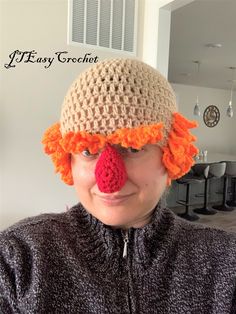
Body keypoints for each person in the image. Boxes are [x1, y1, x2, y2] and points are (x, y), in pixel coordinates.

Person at [0, 58, 236, 314]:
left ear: (171, 152)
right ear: (67, 158)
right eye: (88, 150)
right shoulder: (17, 258)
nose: (109, 178)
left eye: (133, 147)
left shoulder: (225, 262)